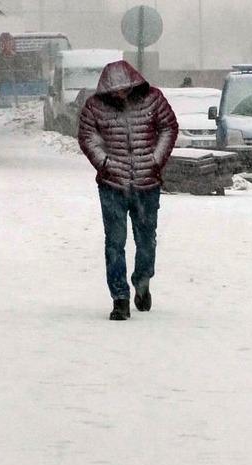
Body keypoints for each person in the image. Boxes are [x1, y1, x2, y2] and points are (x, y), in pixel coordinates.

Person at [78, 60, 179, 321]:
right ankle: (120, 297)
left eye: (125, 89)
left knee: (146, 239)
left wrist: (156, 159)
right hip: (112, 185)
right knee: (115, 242)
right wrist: (105, 162)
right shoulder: (94, 107)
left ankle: (142, 279)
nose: (120, 94)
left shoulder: (153, 99)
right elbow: (87, 137)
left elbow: (169, 127)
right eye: (115, 90)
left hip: (147, 184)